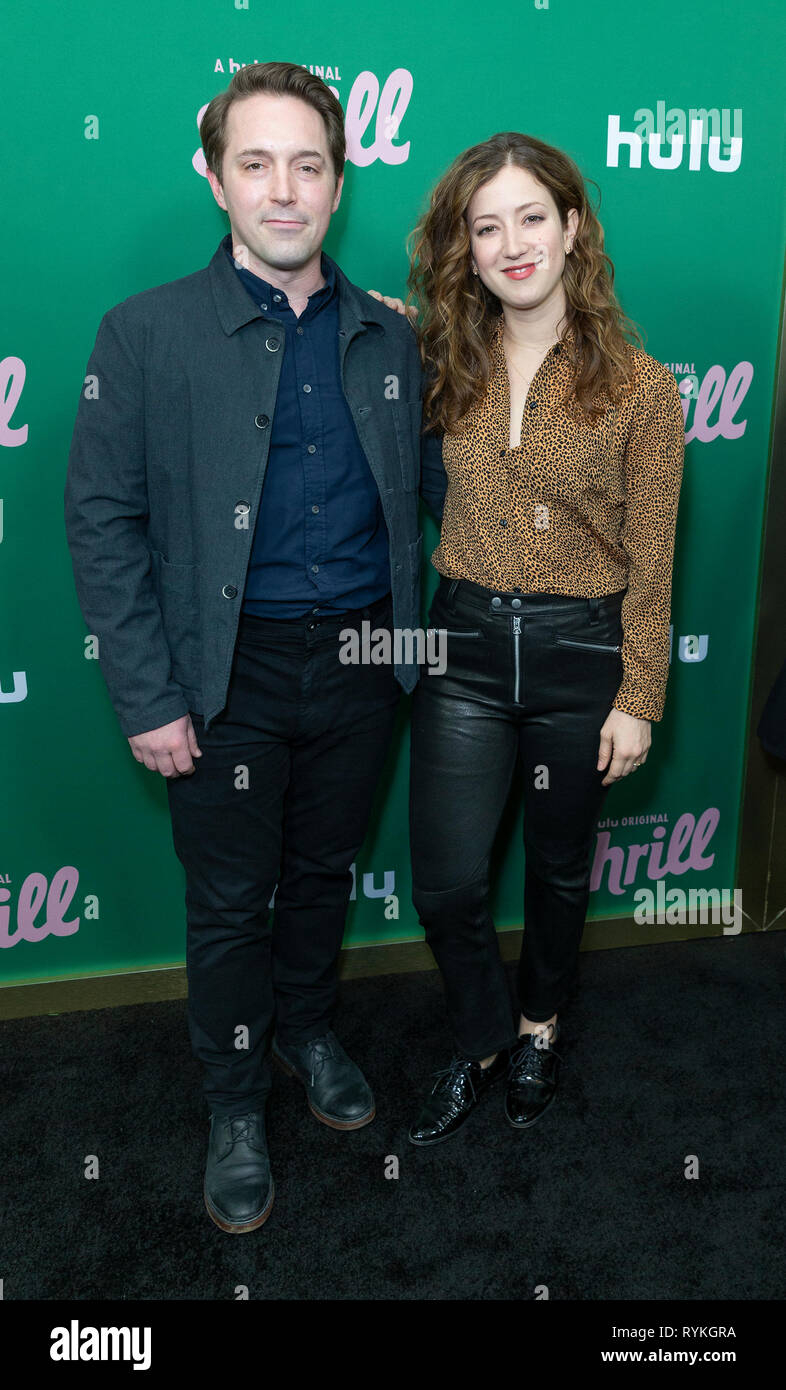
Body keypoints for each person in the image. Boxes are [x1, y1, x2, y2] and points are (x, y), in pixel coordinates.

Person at [64, 61, 427, 1233]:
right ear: (213, 176)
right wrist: (146, 692)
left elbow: (430, 505)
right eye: (256, 163)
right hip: (224, 676)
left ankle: (308, 1032)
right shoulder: (145, 332)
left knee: (323, 872)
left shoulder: (390, 334)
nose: (284, 191)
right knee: (229, 902)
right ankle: (232, 1096)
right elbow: (100, 517)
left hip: (366, 658)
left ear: (339, 181)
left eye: (308, 165)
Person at [402, 131, 685, 1143]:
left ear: (573, 229)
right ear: (464, 248)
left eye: (532, 217)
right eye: (487, 226)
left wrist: (639, 694)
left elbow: (654, 558)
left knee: (561, 871)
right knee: (444, 876)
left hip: (582, 656)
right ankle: (481, 1035)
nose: (512, 243)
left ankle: (537, 1029)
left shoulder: (645, 390)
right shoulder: (434, 357)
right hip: (465, 651)